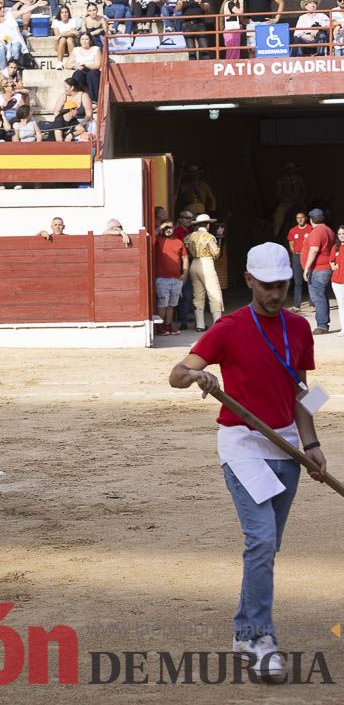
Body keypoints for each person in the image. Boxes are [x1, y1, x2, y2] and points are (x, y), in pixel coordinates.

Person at [168, 242, 327, 681]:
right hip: (243, 444)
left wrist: (312, 444)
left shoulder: (299, 328)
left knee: (268, 546)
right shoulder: (229, 327)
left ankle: (243, 630)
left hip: (289, 446)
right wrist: (199, 374)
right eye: (268, 286)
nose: (276, 294)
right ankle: (259, 638)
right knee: (260, 541)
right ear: (251, 280)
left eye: (283, 286)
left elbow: (304, 391)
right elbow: (176, 374)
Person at [185, 213, 223, 331]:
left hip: (194, 264)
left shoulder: (190, 236)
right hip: (206, 264)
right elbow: (216, 253)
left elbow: (185, 247)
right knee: (214, 293)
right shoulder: (209, 236)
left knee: (198, 294)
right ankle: (217, 324)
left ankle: (200, 325)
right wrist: (220, 239)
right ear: (207, 225)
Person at [300, 208, 334, 335]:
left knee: (318, 298)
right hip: (325, 269)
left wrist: (306, 268)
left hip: (318, 269)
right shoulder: (328, 230)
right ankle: (323, 323)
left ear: (311, 219)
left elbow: (314, 250)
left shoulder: (317, 232)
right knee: (320, 297)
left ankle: (322, 326)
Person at [154, 219, 187, 335]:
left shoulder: (179, 242)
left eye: (170, 228)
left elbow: (185, 258)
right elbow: (150, 236)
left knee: (172, 304)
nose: (168, 230)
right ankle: (159, 326)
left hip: (176, 278)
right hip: (162, 278)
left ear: (174, 229)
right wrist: (161, 226)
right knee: (163, 304)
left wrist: (185, 273)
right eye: (166, 228)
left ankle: (168, 325)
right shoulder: (158, 240)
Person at [287, 211, 311, 311]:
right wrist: (297, 255)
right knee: (297, 282)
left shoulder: (310, 228)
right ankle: (297, 305)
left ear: (305, 218)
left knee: (310, 280)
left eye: (302, 217)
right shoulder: (293, 231)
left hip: (308, 256)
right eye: (298, 218)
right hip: (297, 256)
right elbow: (291, 246)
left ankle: (312, 303)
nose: (300, 219)